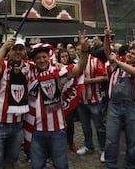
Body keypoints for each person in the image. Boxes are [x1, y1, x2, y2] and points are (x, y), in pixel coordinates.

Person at [27, 31, 90, 169]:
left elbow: (79, 67)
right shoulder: (29, 76)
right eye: (38, 58)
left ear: (48, 58)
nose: (42, 60)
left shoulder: (57, 74)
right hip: (36, 131)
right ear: (34, 60)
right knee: (37, 166)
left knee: (61, 165)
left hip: (57, 130)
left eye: (44, 57)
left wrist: (84, 50)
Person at [0, 37, 29, 169]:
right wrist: (3, 48)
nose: (18, 52)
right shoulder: (3, 64)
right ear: (9, 51)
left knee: (11, 160)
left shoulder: (27, 67)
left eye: (20, 49)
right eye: (14, 49)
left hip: (17, 123)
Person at [104, 28, 135, 169]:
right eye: (128, 52)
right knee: (111, 139)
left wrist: (118, 61)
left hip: (131, 107)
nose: (129, 55)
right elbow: (108, 53)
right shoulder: (117, 64)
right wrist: (106, 37)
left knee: (132, 140)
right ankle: (110, 165)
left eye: (133, 54)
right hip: (114, 106)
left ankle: (131, 165)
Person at [75, 46, 107, 163]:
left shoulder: (95, 61)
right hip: (81, 101)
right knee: (85, 126)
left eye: (80, 49)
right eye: (77, 49)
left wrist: (90, 81)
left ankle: (104, 149)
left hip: (94, 100)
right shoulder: (76, 62)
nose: (77, 51)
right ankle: (88, 146)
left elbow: (105, 76)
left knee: (99, 127)